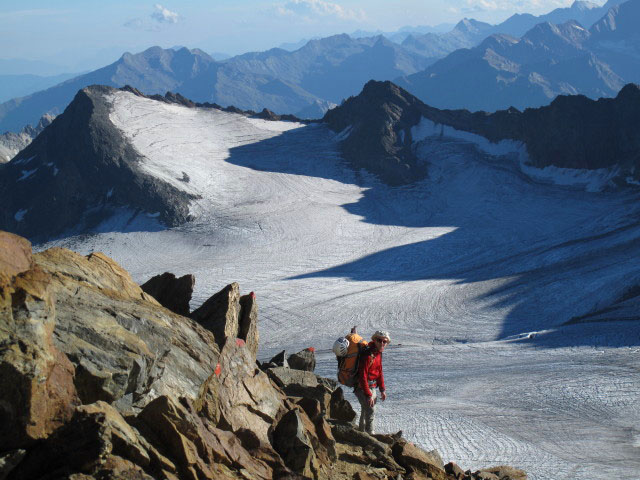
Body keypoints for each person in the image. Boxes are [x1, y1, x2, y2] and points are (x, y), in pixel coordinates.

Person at [354, 330, 390, 434]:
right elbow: (362, 376)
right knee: (370, 410)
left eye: (385, 341)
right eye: (379, 340)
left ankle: (361, 433)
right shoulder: (368, 355)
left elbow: (379, 372)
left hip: (372, 386)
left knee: (366, 409)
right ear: (374, 340)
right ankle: (370, 434)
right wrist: (368, 394)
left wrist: (382, 390)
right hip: (362, 387)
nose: (382, 343)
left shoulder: (378, 354)